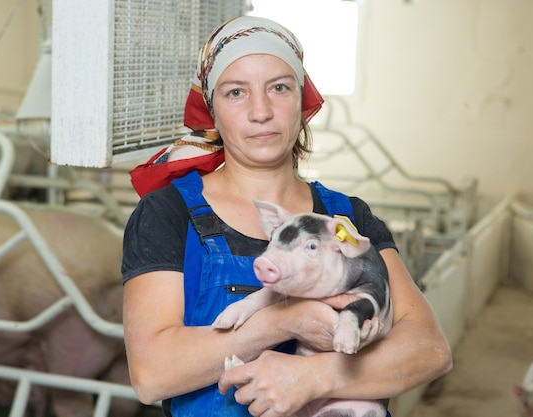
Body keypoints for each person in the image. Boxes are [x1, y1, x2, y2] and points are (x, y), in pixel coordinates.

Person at [122, 15, 452, 417]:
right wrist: (285, 320)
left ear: (301, 98)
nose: (261, 111)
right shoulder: (167, 213)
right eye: (235, 92)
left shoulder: (347, 218)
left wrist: (314, 376)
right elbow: (152, 373)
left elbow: (429, 349)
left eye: (279, 87)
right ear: (213, 111)